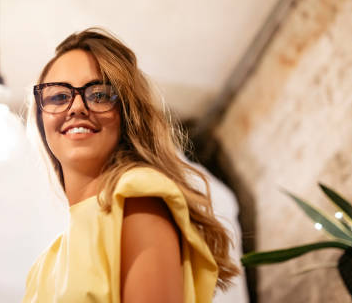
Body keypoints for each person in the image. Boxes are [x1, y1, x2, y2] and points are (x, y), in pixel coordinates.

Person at [23, 28, 240, 302]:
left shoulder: (136, 196)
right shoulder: (44, 267)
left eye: (99, 94)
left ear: (127, 113)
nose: (77, 106)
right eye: (58, 96)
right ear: (41, 120)